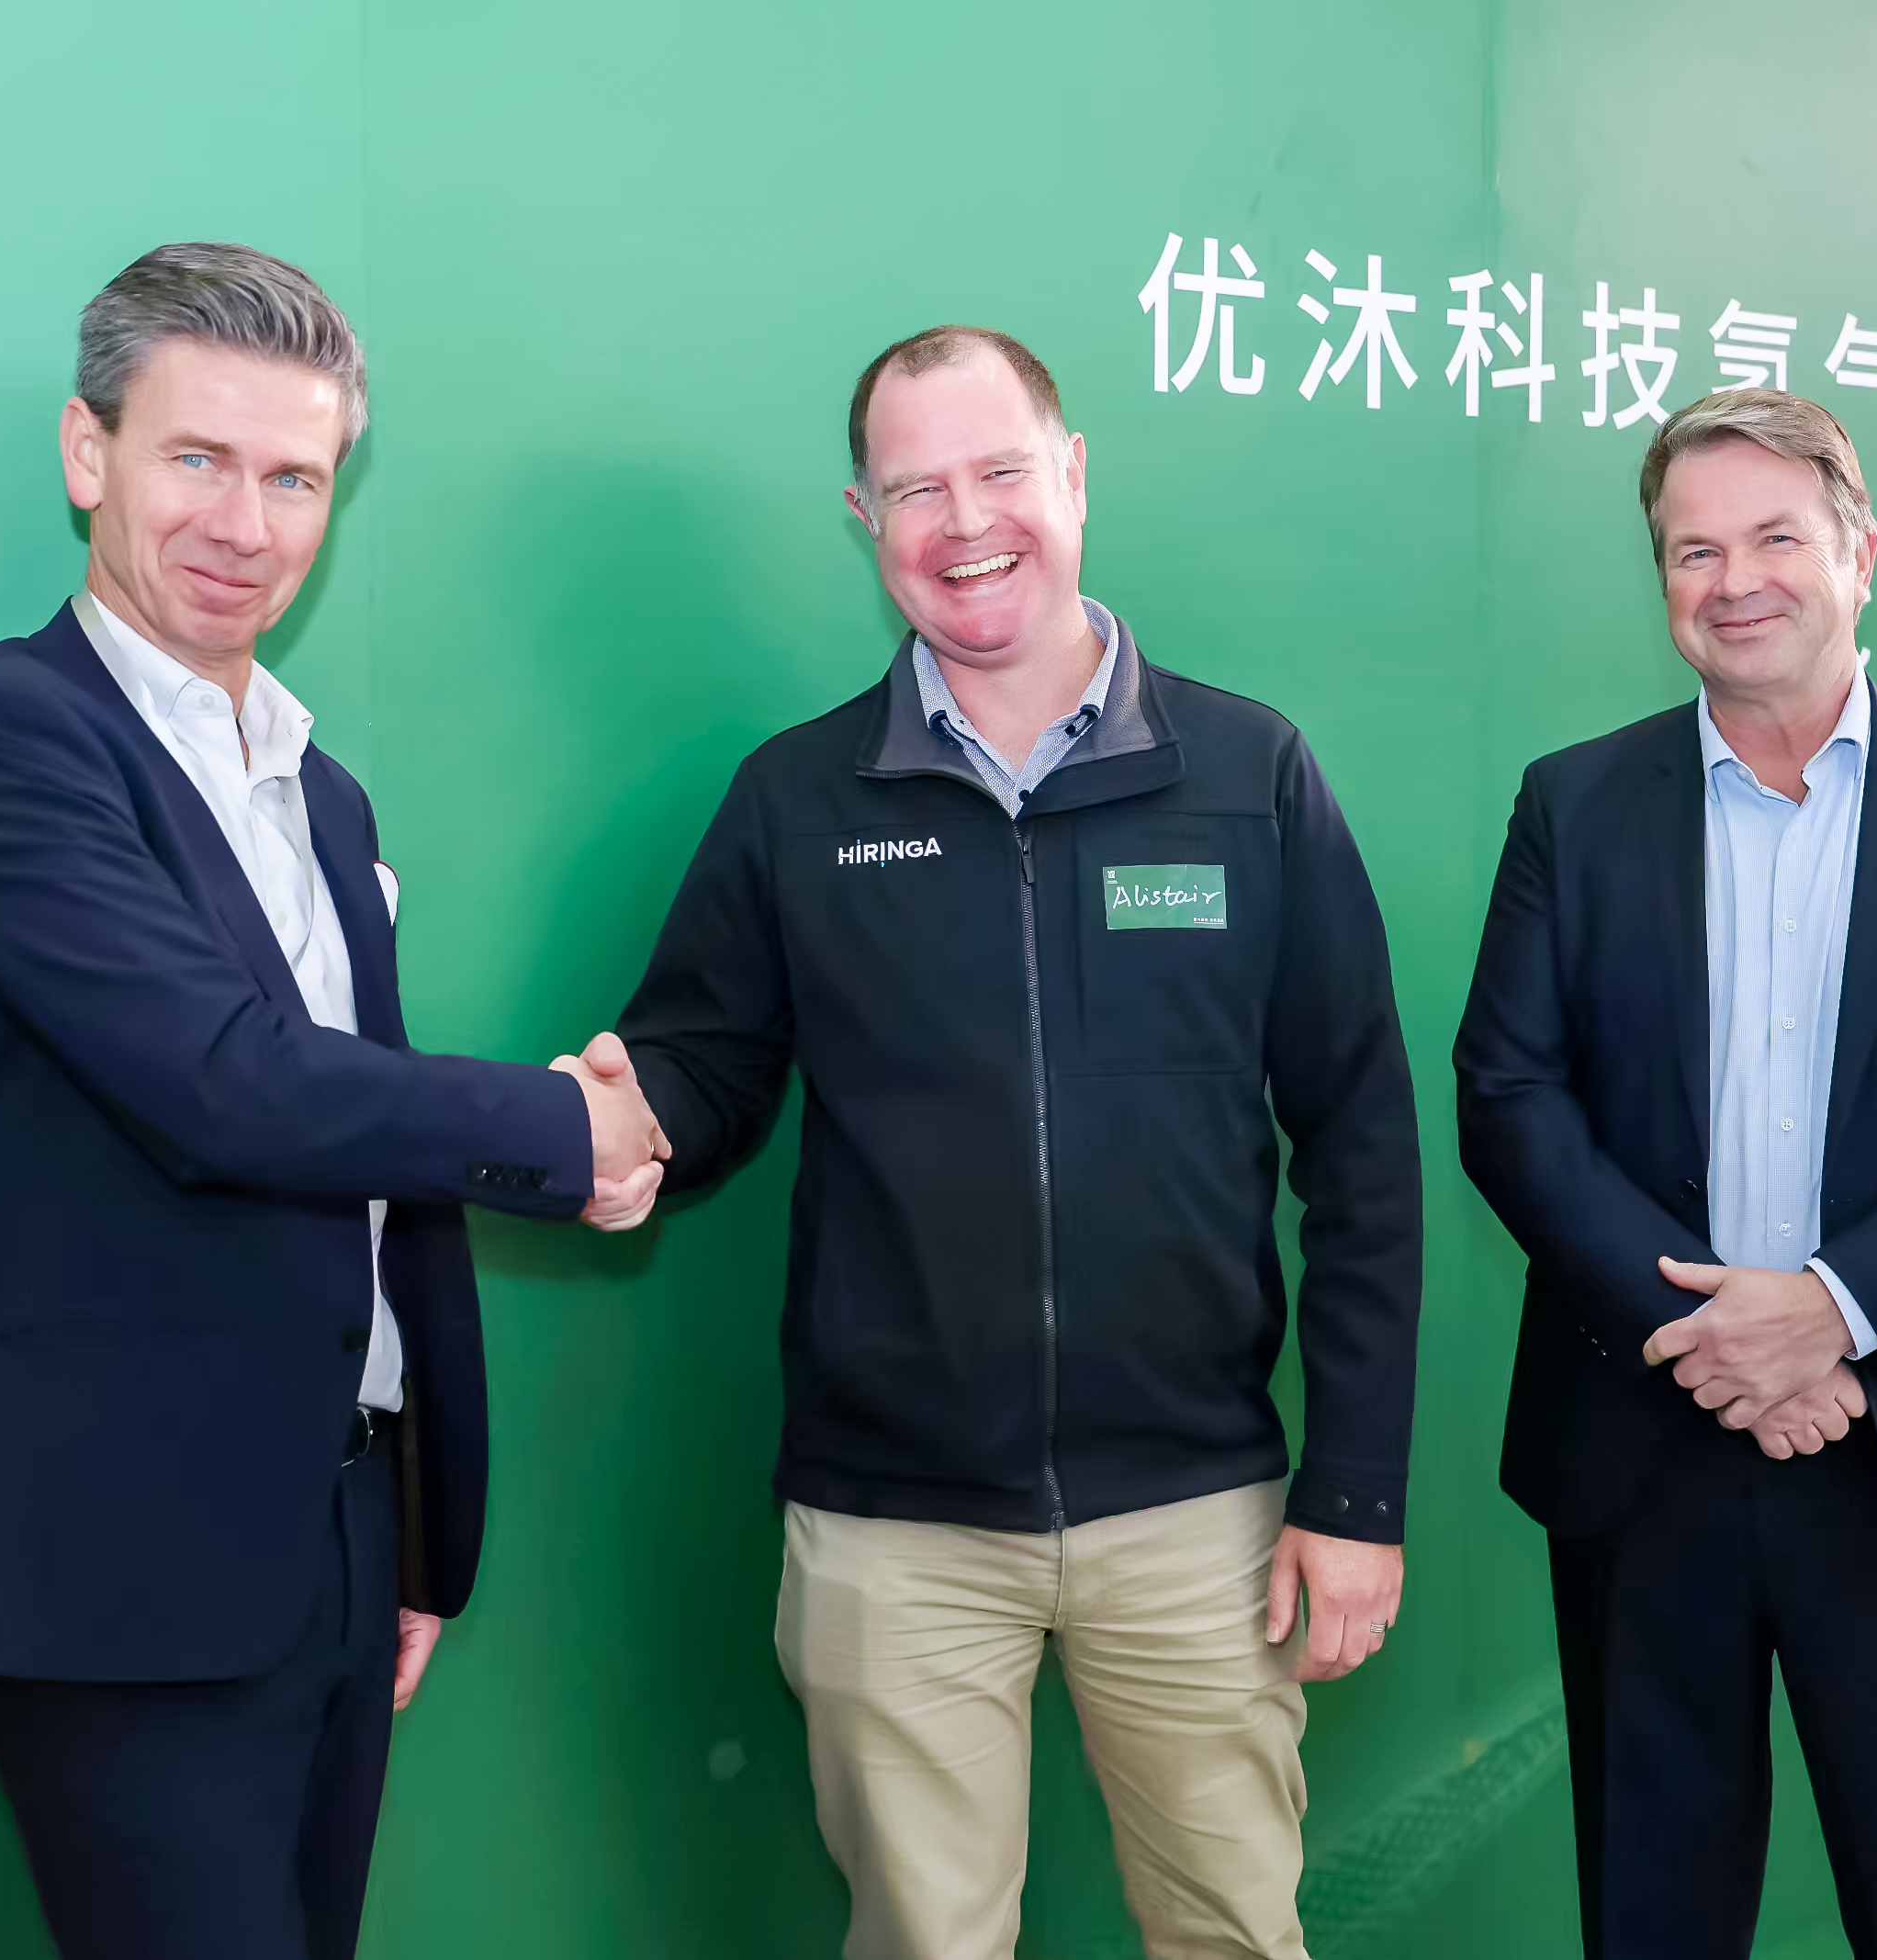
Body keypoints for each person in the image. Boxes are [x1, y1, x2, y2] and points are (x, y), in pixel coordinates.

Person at [0, 241, 667, 1960]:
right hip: (124, 1555)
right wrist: (566, 1130)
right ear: (87, 453)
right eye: (198, 457)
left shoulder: (323, 790)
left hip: (339, 1529)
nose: (247, 522)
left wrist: (411, 1533)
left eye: (296, 476)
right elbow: (226, 1087)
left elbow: (367, 1150)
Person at [610, 325, 1422, 1960]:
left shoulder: (1249, 774)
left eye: (1000, 471)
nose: (966, 521)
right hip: (893, 1525)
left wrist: (1354, 1490)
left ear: (1074, 475)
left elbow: (1363, 1150)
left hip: (1199, 1513)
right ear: (864, 518)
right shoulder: (798, 800)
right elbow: (701, 1069)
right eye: (917, 488)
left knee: (1235, 1935)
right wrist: (615, 1123)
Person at [1453, 388, 1877, 1960]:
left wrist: (1830, 1310)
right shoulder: (1575, 806)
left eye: (1775, 537)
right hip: (1647, 1450)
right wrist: (1710, 1335)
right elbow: (1510, 1096)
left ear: (1859, 551)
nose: (1734, 580)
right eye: (1694, 550)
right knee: (1652, 1921)